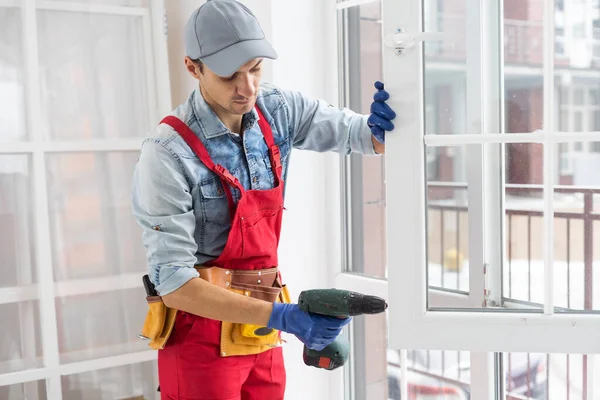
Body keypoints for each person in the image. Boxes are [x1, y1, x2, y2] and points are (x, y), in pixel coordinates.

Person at [131, 0, 396, 399]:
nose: (247, 88)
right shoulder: (166, 153)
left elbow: (364, 136)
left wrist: (386, 123)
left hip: (263, 326)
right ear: (193, 67)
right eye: (230, 75)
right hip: (202, 332)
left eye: (255, 68)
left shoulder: (278, 109)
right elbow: (174, 284)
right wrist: (285, 317)